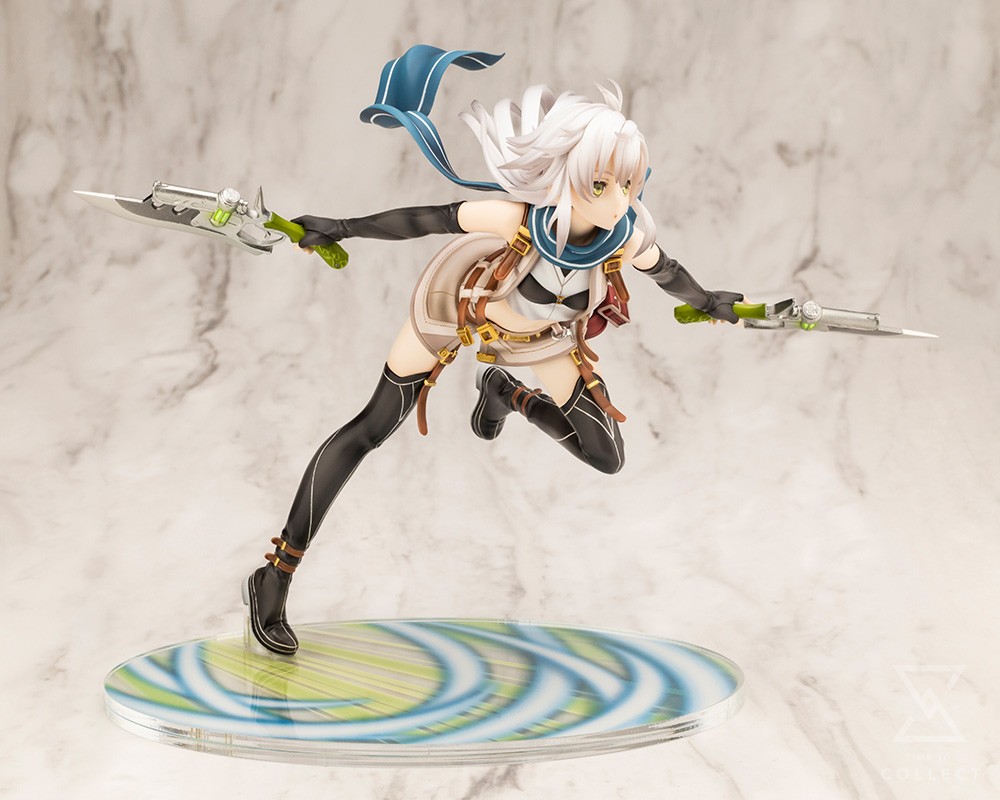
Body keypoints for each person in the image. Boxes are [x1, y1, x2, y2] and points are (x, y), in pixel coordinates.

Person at [243, 46, 743, 655]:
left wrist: (709, 301)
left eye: (629, 183)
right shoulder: (518, 219)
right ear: (569, 175)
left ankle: (505, 394)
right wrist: (341, 228)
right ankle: (276, 575)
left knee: (607, 453)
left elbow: (668, 272)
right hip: (459, 310)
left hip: (542, 341)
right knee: (371, 427)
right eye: (602, 182)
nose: (618, 199)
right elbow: (425, 219)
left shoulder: (626, 235)